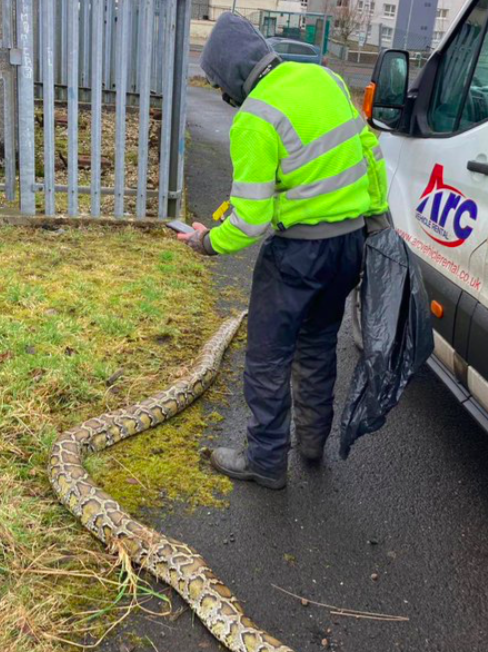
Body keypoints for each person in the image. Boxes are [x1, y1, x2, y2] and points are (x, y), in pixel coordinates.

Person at [177, 12, 389, 490]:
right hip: (348, 245)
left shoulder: (254, 119)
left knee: (269, 356)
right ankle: (312, 443)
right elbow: (368, 152)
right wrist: (377, 219)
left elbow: (250, 223)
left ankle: (266, 461)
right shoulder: (325, 78)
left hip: (297, 255)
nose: (224, 98)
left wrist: (207, 241)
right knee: (317, 344)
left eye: (219, 86)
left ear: (231, 76)